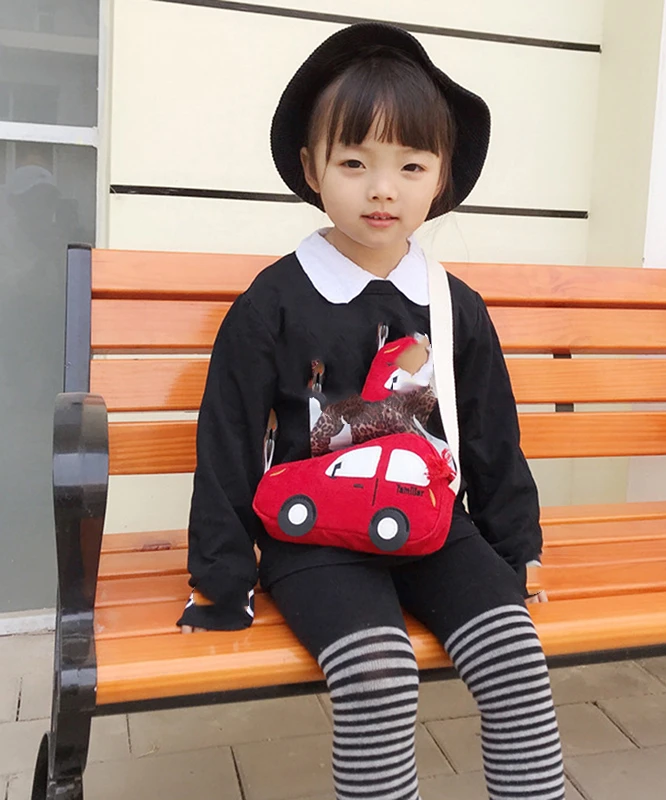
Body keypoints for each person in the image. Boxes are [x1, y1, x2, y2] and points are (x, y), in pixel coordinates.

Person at [179, 22, 564, 800]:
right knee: (379, 677)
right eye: (354, 163)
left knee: (517, 663)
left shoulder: (453, 304)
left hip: (433, 523)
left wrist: (514, 546)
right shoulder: (274, 302)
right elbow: (226, 439)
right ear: (311, 168)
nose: (382, 189)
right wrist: (221, 577)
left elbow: (490, 434)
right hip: (312, 537)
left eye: (410, 165)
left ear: (441, 178)